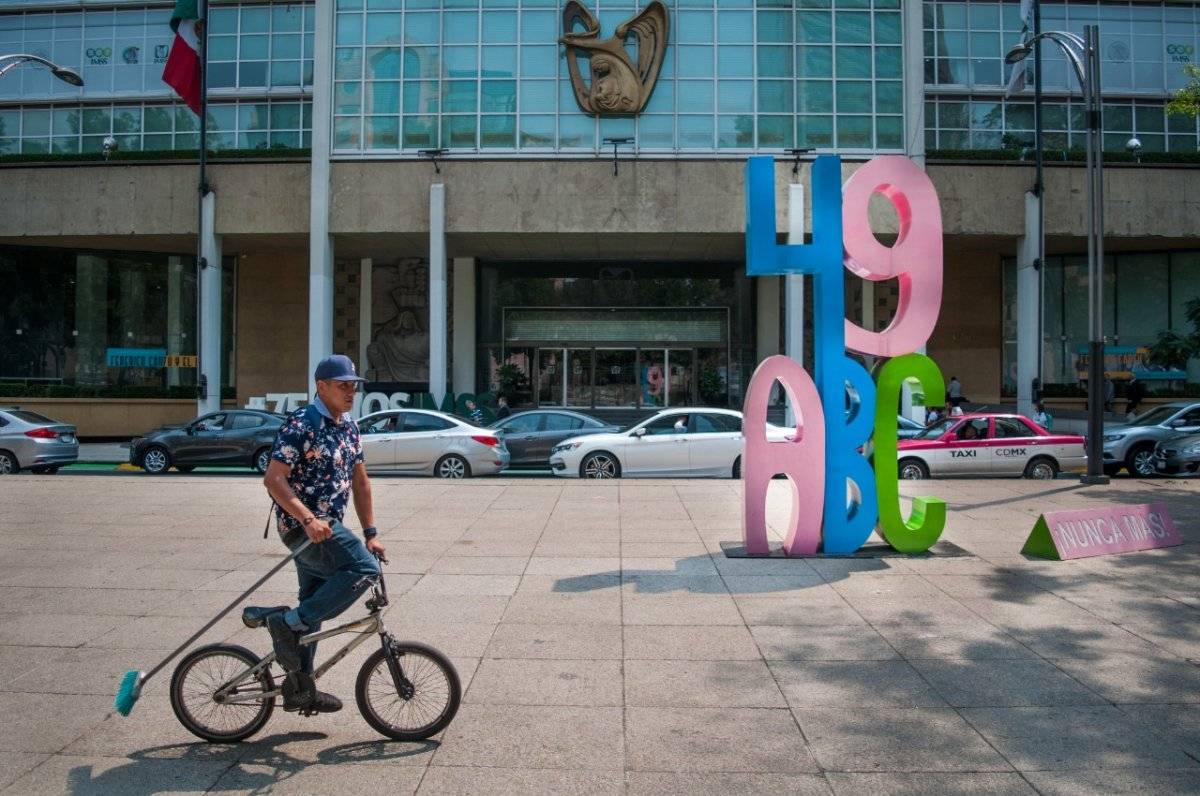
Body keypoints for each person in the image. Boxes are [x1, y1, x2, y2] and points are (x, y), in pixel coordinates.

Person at [262, 354, 386, 715]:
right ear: (321, 386)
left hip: (329, 526)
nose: (351, 393)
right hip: (306, 529)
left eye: (354, 387)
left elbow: (360, 482)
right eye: (343, 386)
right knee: (364, 571)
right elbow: (273, 479)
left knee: (312, 610)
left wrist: (371, 533)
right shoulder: (301, 423)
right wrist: (307, 520)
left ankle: (302, 687)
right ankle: (284, 624)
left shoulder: (348, 425)